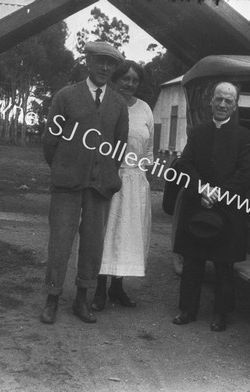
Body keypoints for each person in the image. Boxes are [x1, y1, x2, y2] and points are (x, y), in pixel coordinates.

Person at [40, 42, 129, 324]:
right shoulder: (66, 96)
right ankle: (52, 299)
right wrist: (66, 167)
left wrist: (104, 172)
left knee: (93, 245)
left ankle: (82, 300)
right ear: (88, 61)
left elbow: (119, 147)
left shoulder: (118, 104)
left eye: (111, 64)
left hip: (100, 186)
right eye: (100, 61)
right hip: (68, 184)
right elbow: (50, 143)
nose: (105, 67)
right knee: (60, 242)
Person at [172, 82, 250, 332]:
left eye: (228, 101)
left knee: (224, 264)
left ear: (235, 105)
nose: (222, 105)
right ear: (211, 101)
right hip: (198, 203)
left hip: (228, 207)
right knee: (192, 260)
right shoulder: (198, 132)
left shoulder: (245, 137)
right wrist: (202, 190)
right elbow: (185, 165)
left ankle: (221, 314)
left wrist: (218, 194)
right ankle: (187, 309)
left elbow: (246, 174)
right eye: (218, 99)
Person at [91, 60, 154, 311]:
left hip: (135, 180)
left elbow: (148, 150)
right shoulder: (106, 105)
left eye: (135, 80)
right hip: (109, 177)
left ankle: (117, 288)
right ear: (115, 80)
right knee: (105, 234)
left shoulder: (146, 109)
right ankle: (98, 291)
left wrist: (141, 174)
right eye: (125, 79)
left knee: (127, 236)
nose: (129, 84)